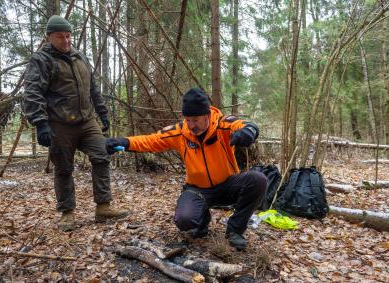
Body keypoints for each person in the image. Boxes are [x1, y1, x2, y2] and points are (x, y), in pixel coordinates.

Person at [106, 88, 267, 250]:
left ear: (207, 115)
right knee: (184, 220)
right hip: (198, 190)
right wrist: (124, 142)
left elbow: (246, 125)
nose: (191, 125)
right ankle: (202, 221)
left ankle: (235, 230)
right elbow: (152, 140)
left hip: (228, 184)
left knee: (258, 180)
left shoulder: (222, 124)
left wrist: (248, 132)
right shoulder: (180, 132)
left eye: (195, 120)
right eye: (188, 120)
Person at [23, 15, 128, 232]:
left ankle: (103, 207)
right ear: (49, 37)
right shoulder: (41, 60)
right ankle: (67, 213)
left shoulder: (80, 58)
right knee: (63, 167)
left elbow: (93, 89)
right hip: (59, 123)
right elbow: (33, 93)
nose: (66, 40)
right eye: (60, 37)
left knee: (102, 154)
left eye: (68, 36)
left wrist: (103, 113)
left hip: (86, 120)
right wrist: (41, 123)